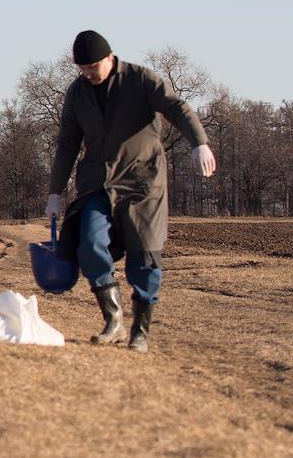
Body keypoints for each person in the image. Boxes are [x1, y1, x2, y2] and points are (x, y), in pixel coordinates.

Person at [45, 30, 216, 353]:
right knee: (90, 243)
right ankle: (113, 319)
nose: (89, 74)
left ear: (110, 58)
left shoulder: (140, 80)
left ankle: (140, 331)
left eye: (94, 66)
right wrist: (55, 192)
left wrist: (199, 143)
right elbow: (67, 143)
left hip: (142, 184)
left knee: (145, 255)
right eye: (83, 69)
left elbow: (176, 107)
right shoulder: (78, 92)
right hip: (98, 183)